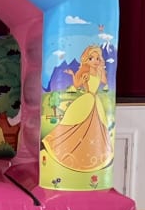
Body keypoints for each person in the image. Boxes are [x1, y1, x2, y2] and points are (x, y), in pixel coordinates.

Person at [41, 44, 114, 172]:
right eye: (91, 58)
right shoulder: (86, 74)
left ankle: (93, 153)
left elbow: (104, 82)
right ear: (86, 60)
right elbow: (76, 84)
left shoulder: (99, 72)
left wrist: (103, 71)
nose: (95, 61)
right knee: (77, 124)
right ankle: (64, 147)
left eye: (97, 58)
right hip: (87, 99)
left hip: (95, 100)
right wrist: (73, 75)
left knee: (97, 125)